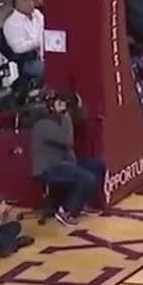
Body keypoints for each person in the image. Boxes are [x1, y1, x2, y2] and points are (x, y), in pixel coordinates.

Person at [32, 92, 106, 227]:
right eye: (59, 103)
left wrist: (79, 106)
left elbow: (81, 119)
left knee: (98, 165)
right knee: (87, 178)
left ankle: (82, 203)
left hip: (65, 164)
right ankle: (66, 212)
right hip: (49, 168)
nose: (63, 106)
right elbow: (67, 140)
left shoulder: (58, 120)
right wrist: (65, 114)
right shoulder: (42, 124)